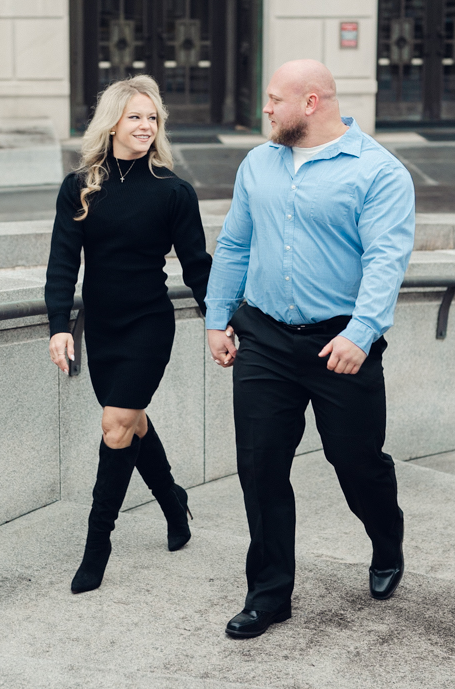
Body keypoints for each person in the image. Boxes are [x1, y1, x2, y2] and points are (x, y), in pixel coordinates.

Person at [205, 59, 415, 639]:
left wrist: (361, 332)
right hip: (265, 338)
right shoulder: (258, 163)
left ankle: (386, 537)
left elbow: (385, 260)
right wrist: (217, 318)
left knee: (356, 463)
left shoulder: (379, 172)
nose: (266, 109)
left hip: (340, 343)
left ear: (313, 102)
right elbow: (235, 243)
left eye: (275, 99)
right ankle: (269, 594)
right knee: (260, 466)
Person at [45, 75, 212, 594]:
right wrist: (58, 327)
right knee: (132, 422)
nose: (146, 125)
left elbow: (198, 266)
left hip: (148, 326)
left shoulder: (174, 192)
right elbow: (62, 261)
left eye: (153, 118)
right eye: (136, 116)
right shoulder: (81, 187)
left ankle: (97, 548)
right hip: (104, 329)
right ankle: (174, 504)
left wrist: (219, 321)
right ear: (113, 121)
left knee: (114, 424)